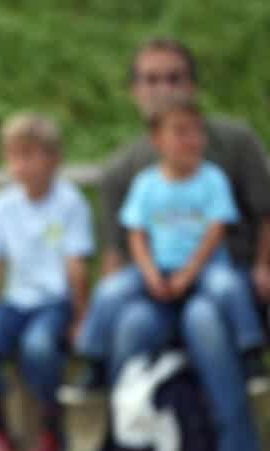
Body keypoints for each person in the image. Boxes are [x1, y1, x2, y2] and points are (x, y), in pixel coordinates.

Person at [73, 38, 270, 451]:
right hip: (155, 283)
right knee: (129, 324)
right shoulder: (125, 168)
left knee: (207, 320)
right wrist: (114, 294)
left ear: (193, 84)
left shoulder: (234, 142)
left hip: (224, 280)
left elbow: (263, 214)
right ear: (134, 90)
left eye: (174, 77)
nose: (163, 88)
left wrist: (263, 267)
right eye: (151, 79)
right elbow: (120, 247)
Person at [0, 113, 94, 451]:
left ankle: (52, 432)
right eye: (15, 156)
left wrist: (82, 318)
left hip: (54, 303)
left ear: (54, 158)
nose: (22, 165)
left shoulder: (69, 202)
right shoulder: (3, 203)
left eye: (31, 155)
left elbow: (77, 266)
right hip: (14, 302)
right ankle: (1, 435)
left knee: (39, 348)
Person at [84, 96, 265, 364]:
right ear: (156, 140)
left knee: (229, 286)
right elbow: (136, 233)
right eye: (181, 132)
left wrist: (188, 273)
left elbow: (216, 231)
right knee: (110, 290)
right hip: (158, 266)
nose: (193, 140)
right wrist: (150, 273)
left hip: (205, 266)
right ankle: (94, 355)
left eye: (198, 131)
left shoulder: (213, 179)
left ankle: (250, 348)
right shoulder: (146, 183)